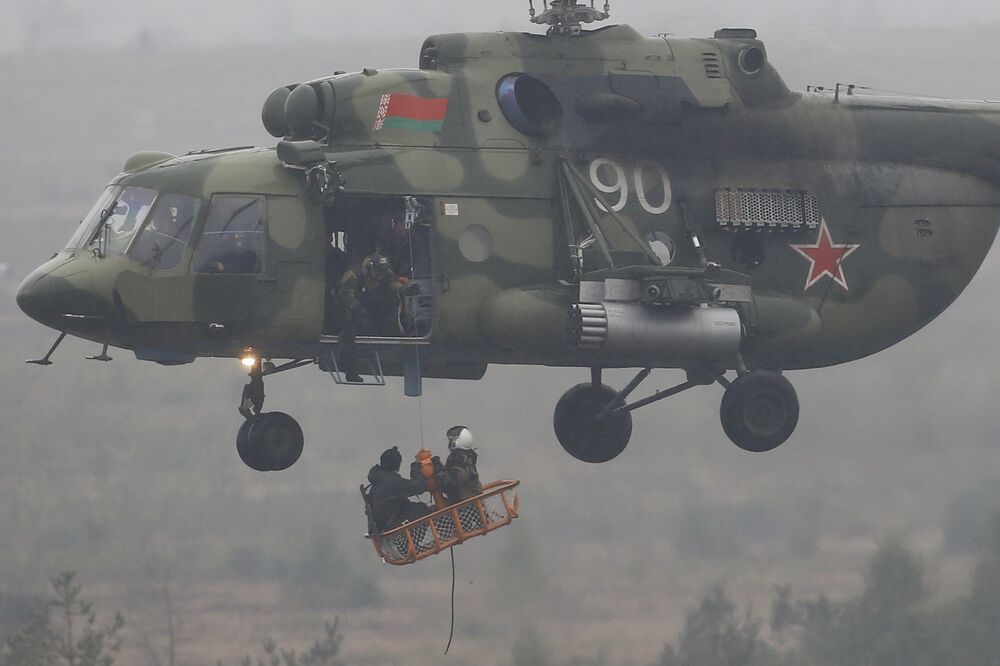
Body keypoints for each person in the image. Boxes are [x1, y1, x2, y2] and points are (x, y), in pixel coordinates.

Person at [366, 446, 431, 532]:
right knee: (422, 509)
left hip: (383, 526)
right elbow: (417, 487)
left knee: (416, 508)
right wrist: (416, 467)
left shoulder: (379, 478)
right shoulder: (391, 482)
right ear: (397, 465)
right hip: (394, 529)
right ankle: (411, 543)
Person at [439, 425, 483, 503]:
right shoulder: (467, 458)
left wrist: (438, 472)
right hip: (469, 503)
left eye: (451, 440)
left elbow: (453, 481)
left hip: (465, 505)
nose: (449, 444)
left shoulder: (460, 460)